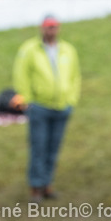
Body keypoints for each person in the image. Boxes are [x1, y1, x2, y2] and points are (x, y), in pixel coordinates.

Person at [12, 15, 81, 202]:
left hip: (62, 106)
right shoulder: (30, 50)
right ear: (42, 28)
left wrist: (71, 99)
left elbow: (75, 76)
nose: (51, 30)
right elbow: (21, 75)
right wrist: (27, 98)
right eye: (48, 27)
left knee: (53, 147)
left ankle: (47, 184)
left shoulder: (67, 50)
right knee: (39, 147)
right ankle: (36, 186)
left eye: (54, 26)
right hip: (39, 107)